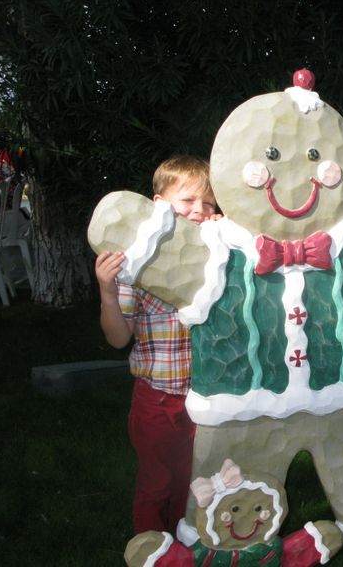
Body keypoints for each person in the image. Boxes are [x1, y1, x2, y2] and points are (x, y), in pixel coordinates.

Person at [95, 155, 218, 535]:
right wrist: (107, 292)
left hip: (207, 397)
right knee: (157, 483)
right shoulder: (137, 267)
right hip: (158, 400)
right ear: (158, 204)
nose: (199, 211)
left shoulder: (217, 258)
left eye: (209, 204)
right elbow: (118, 338)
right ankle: (150, 547)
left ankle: (185, 543)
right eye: (188, 201)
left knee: (194, 482)